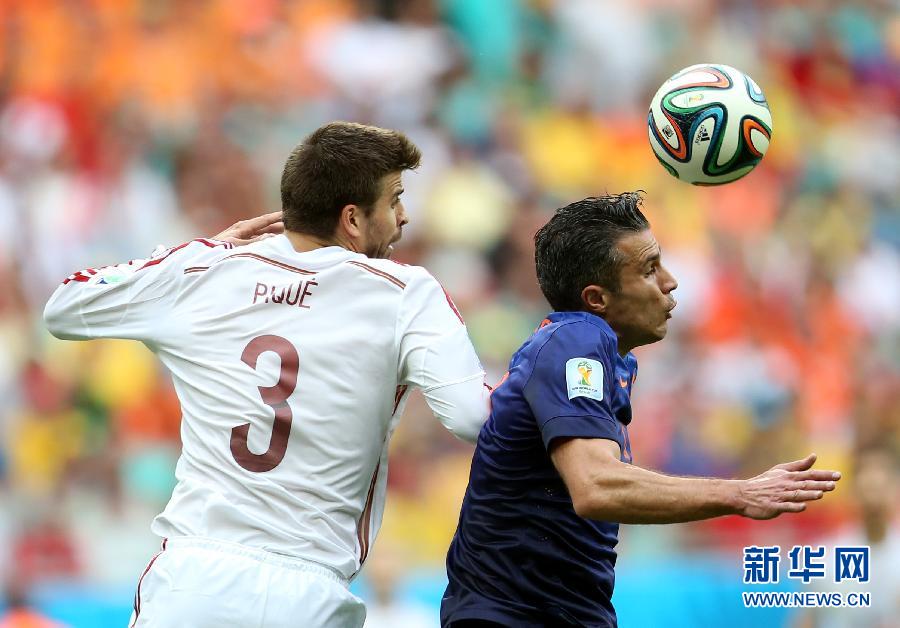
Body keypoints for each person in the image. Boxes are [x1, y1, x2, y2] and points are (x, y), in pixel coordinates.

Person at [43, 121, 491, 628]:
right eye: (395, 200)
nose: (403, 216)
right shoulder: (406, 292)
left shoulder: (208, 272)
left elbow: (64, 307)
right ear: (352, 219)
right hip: (310, 593)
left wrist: (203, 249)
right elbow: (473, 417)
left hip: (194, 579)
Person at [441, 193, 842, 628]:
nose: (671, 282)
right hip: (512, 616)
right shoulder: (575, 340)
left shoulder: (609, 360)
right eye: (650, 269)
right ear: (596, 299)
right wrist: (740, 494)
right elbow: (596, 486)